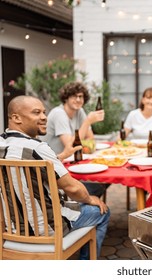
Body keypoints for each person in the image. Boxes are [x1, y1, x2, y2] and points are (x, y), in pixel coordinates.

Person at [0, 95, 110, 259]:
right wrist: (90, 199)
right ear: (16, 118)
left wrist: (61, 156)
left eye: (44, 112)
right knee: (102, 211)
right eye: (36, 113)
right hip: (47, 227)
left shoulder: (3, 144)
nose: (44, 117)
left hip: (12, 226)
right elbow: (72, 187)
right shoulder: (37, 148)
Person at [40, 81, 108, 197]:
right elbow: (70, 147)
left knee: (104, 180)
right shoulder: (59, 113)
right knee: (98, 185)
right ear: (66, 98)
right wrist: (87, 121)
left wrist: (86, 126)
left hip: (68, 163)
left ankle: (84, 203)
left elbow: (90, 140)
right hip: (53, 167)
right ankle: (77, 204)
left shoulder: (79, 111)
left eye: (80, 96)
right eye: (74, 96)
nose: (78, 100)